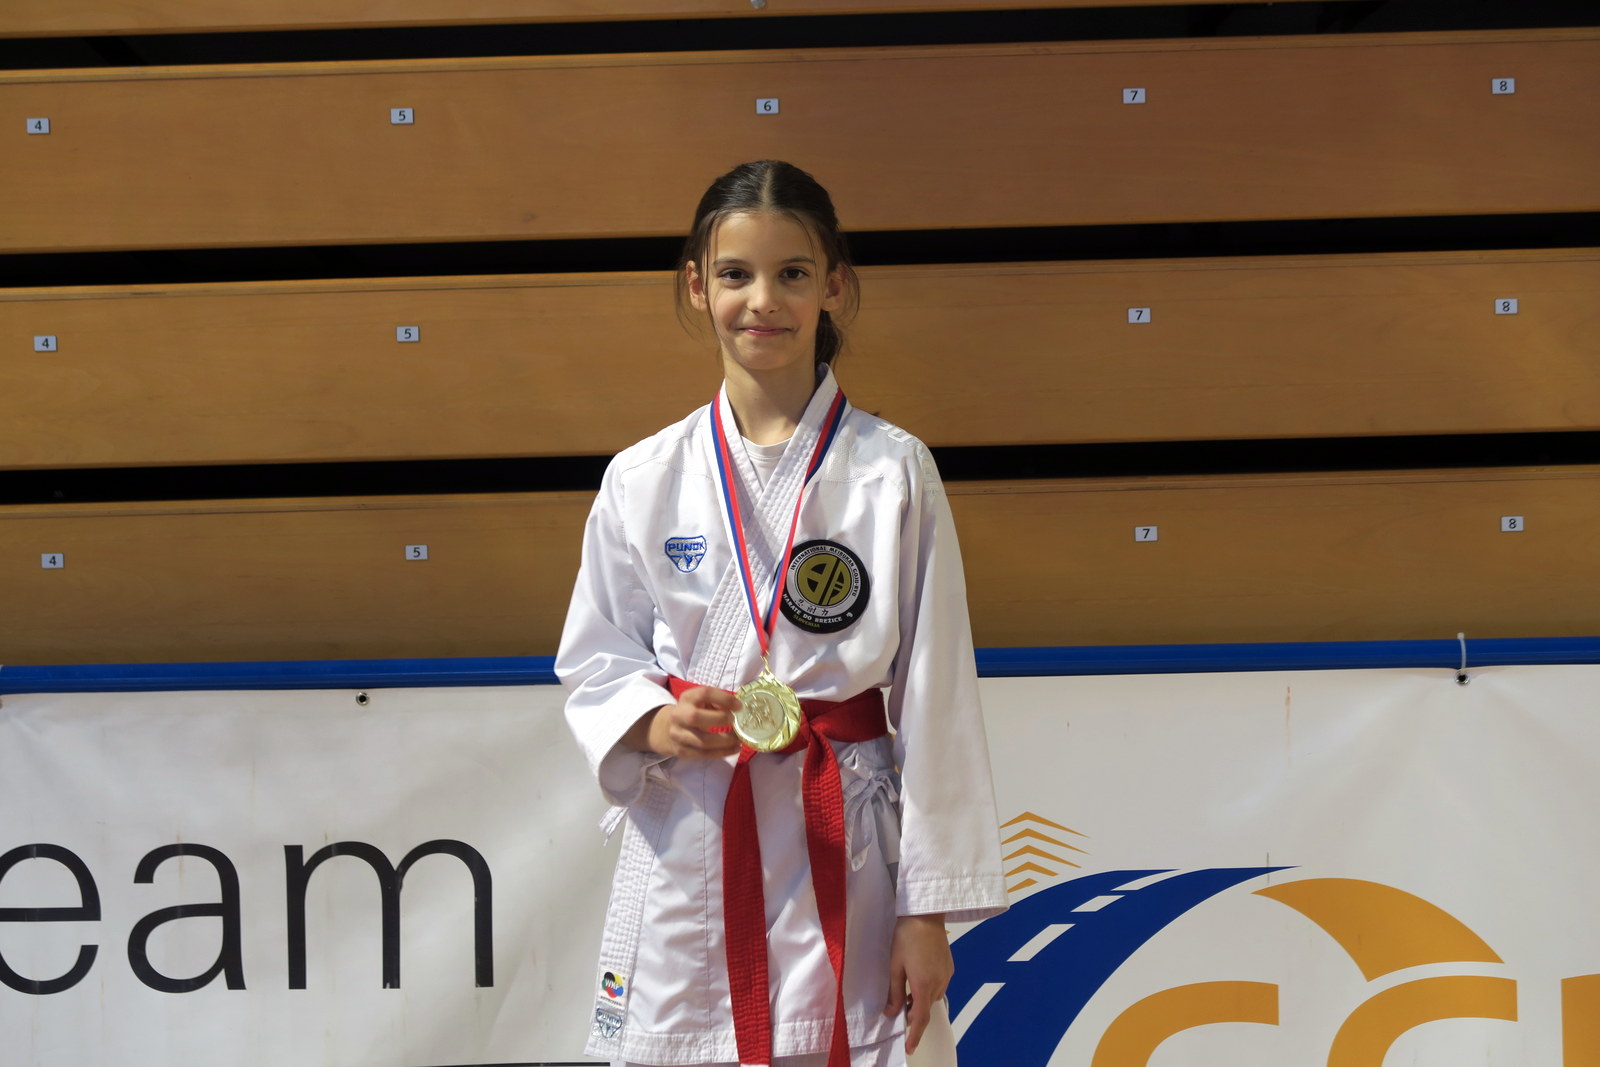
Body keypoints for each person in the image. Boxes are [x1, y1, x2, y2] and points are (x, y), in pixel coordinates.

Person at [556, 160, 1007, 1067]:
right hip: (694, 830)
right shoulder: (643, 477)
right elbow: (595, 657)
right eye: (736, 274)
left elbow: (936, 697)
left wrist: (926, 914)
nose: (763, 300)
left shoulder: (892, 470)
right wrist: (654, 719)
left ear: (833, 283)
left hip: (844, 836)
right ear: (697, 283)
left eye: (791, 272)